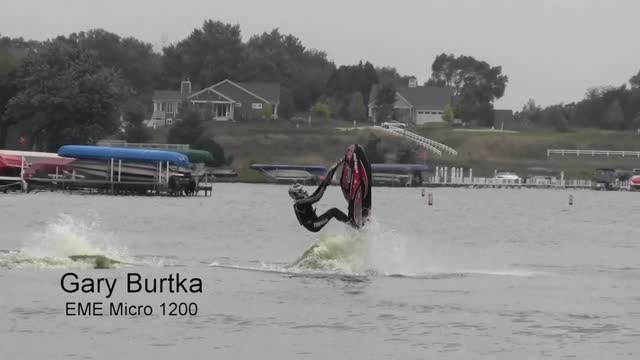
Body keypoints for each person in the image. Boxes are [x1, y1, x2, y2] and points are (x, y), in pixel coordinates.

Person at [289, 160, 349, 232]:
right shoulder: (300, 203)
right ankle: (351, 223)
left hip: (315, 221)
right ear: (297, 194)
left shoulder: (301, 201)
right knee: (333, 211)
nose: (303, 191)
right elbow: (316, 198)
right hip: (313, 225)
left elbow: (315, 194)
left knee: (333, 211)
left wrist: (323, 183)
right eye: (301, 190)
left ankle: (349, 222)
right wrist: (324, 186)